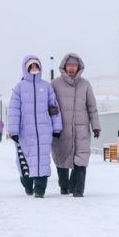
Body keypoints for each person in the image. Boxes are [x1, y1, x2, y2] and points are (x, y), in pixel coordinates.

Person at [8, 55, 62, 197]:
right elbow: (13, 110)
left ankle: (40, 189)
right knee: (25, 160)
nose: (33, 68)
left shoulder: (46, 87)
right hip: (25, 132)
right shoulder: (19, 88)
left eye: (36, 65)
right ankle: (27, 184)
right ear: (25, 68)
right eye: (31, 66)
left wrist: (57, 127)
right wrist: (13, 130)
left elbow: (54, 108)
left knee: (42, 159)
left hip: (44, 130)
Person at [51, 52, 101, 197]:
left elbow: (92, 107)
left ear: (79, 67)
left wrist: (96, 126)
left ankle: (78, 189)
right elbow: (48, 103)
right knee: (61, 157)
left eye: (74, 66)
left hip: (81, 129)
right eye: (69, 65)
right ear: (64, 67)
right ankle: (64, 186)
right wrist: (50, 111)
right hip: (61, 130)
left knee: (81, 158)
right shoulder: (55, 84)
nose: (72, 68)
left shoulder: (85, 84)